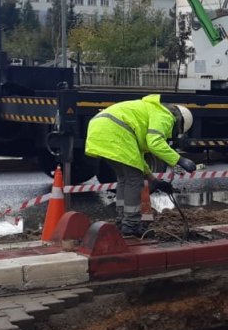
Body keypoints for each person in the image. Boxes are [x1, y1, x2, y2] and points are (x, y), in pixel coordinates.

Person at [84, 94, 196, 236]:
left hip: (101, 129)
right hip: (115, 130)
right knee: (134, 180)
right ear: (179, 122)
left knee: (124, 179)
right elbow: (155, 143)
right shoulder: (165, 116)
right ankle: (131, 224)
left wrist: (153, 180)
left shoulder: (149, 111)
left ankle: (122, 220)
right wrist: (180, 159)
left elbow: (137, 160)